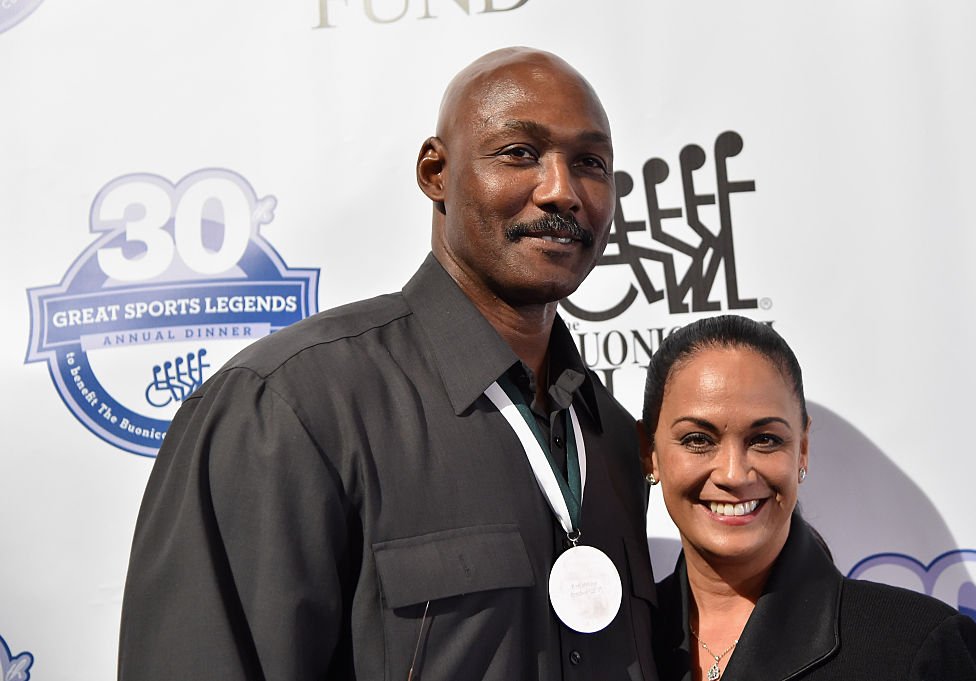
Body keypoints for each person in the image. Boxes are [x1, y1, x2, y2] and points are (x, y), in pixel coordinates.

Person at [118, 47, 658, 681]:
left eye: (590, 163)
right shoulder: (290, 408)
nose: (561, 190)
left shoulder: (614, 438)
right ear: (435, 172)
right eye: (520, 154)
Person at [640, 315, 976, 681]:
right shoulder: (615, 640)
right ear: (648, 452)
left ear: (802, 450)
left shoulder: (917, 645)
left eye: (765, 439)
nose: (733, 474)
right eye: (698, 440)